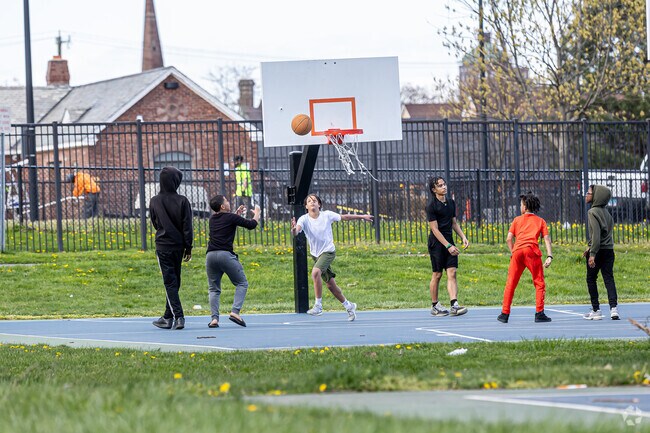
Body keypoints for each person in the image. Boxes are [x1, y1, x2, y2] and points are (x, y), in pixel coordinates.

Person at [290, 194, 372, 321]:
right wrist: (294, 229)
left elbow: (345, 216)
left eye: (315, 201)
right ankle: (349, 306)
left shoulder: (327, 215)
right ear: (306, 206)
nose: (312, 202)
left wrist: (362, 216)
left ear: (319, 204)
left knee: (315, 272)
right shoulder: (303, 219)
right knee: (330, 286)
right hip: (316, 255)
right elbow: (297, 231)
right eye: (309, 201)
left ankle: (318, 306)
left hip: (328, 252)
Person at [497, 192, 553, 324]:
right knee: (539, 282)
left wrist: (513, 252)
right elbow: (546, 239)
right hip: (531, 251)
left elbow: (509, 239)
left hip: (517, 251)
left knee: (511, 283)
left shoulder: (517, 220)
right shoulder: (541, 221)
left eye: (521, 204)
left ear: (525, 206)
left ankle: (504, 314)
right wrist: (549, 255)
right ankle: (539, 313)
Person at [206, 195, 261, 328]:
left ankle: (214, 319)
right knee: (242, 283)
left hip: (210, 256)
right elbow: (251, 225)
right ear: (223, 206)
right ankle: (235, 312)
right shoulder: (231, 218)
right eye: (226, 201)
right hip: (225, 255)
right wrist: (257, 213)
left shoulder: (212, 219)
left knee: (214, 289)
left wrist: (236, 214)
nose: (228, 201)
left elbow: (226, 222)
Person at [149, 167, 193, 330]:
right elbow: (187, 226)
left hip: (163, 245)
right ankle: (168, 316)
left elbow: (154, 222)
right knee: (175, 281)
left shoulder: (154, 201)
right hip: (179, 246)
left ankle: (178, 316)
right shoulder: (183, 200)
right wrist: (188, 247)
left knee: (170, 282)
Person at [426, 176, 470, 317]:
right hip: (437, 243)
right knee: (437, 274)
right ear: (434, 190)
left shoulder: (451, 203)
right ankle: (435, 305)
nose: (444, 187)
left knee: (452, 272)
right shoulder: (431, 206)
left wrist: (463, 237)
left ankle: (454, 305)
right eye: (440, 185)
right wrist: (448, 246)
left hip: (449, 241)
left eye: (444, 184)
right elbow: (435, 229)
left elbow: (454, 223)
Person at [583, 185, 619, 320]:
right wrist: (590, 247)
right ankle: (614, 309)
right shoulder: (607, 214)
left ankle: (596, 310)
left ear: (596, 196)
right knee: (608, 278)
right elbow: (605, 236)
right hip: (609, 250)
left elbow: (596, 236)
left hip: (597, 251)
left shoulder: (592, 212)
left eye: (589, 193)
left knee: (591, 279)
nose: (586, 195)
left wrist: (592, 254)